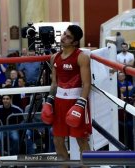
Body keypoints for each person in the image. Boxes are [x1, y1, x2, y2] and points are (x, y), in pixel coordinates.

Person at [41, 25, 91, 160]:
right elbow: (54, 83)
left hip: (76, 101)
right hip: (59, 103)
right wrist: (49, 101)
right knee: (57, 141)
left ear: (74, 42)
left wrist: (80, 105)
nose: (63, 37)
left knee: (82, 141)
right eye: (64, 34)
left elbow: (87, 84)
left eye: (68, 37)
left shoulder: (82, 57)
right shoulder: (54, 57)